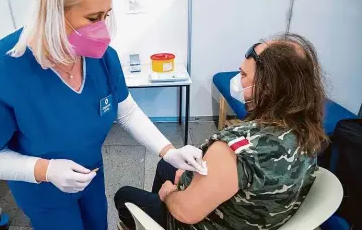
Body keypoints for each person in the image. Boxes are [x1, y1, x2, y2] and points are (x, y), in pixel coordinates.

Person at [0, 0, 206, 230]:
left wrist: (168, 151)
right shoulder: (0, 70)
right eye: (92, 18)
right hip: (42, 190)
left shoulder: (101, 57)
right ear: (51, 12)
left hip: (90, 175)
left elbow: (127, 112)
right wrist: (45, 170)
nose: (103, 29)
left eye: (106, 15)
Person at [114, 33, 328, 230]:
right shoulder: (308, 130)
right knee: (165, 165)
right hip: (258, 216)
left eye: (243, 74)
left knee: (124, 196)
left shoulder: (235, 147)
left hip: (203, 222)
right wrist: (186, 178)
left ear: (267, 87)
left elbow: (186, 212)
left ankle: (158, 221)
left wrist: (169, 193)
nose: (237, 80)